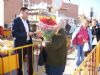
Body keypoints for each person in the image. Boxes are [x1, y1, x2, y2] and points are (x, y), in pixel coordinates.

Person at [12, 7, 33, 75]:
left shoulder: (27, 21)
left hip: (28, 44)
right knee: (19, 63)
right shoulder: (16, 20)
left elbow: (29, 31)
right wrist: (26, 34)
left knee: (30, 61)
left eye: (28, 13)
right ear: (22, 13)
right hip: (20, 45)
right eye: (27, 13)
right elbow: (14, 33)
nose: (28, 15)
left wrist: (34, 33)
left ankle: (30, 73)